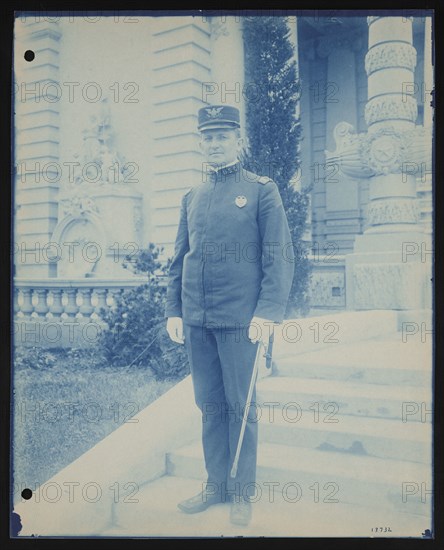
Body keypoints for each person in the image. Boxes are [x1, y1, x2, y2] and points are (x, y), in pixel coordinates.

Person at [165, 104, 294, 526]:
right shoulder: (192, 196)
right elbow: (180, 257)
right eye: (208, 137)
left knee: (241, 408)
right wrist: (175, 311)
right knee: (210, 406)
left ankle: (242, 491)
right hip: (199, 321)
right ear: (200, 143)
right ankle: (215, 485)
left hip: (242, 322)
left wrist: (268, 312)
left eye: (223, 137)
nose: (215, 144)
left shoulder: (261, 190)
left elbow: (279, 255)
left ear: (239, 141)